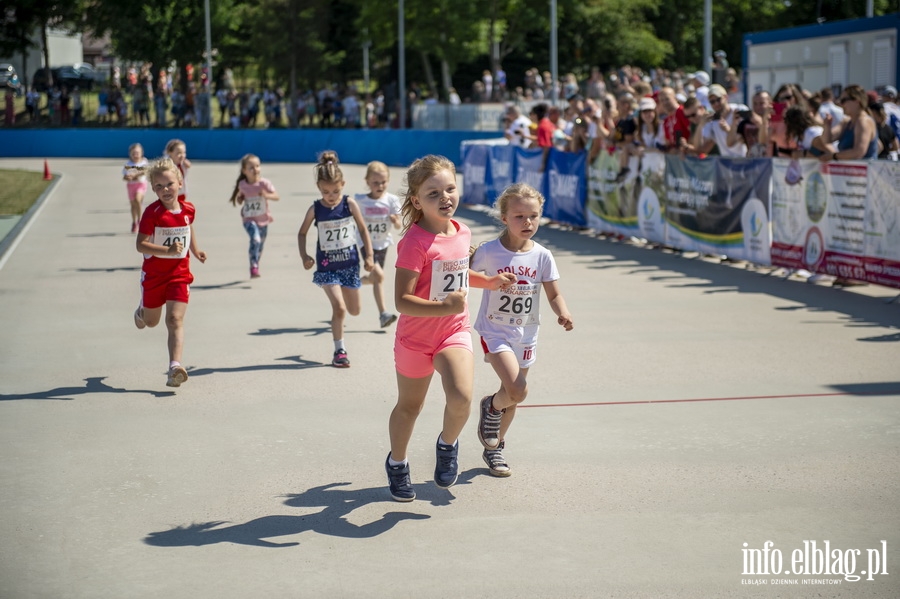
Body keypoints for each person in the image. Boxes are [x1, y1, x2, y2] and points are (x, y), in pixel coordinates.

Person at [384, 155, 516, 502]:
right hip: (415, 339)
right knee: (410, 408)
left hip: (452, 332)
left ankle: (447, 445)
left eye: (450, 189)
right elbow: (402, 300)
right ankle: (397, 463)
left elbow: (455, 273)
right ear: (416, 201)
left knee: (461, 397)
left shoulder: (462, 231)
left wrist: (487, 281)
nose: (445, 198)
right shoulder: (414, 242)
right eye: (433, 194)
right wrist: (442, 306)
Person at [471, 183, 574, 477]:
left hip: (526, 334)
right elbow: (467, 275)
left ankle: (495, 449)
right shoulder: (489, 252)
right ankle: (490, 407)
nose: (527, 222)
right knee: (518, 389)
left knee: (512, 396)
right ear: (504, 218)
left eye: (533, 216)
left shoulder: (542, 255)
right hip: (495, 332)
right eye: (519, 217)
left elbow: (554, 294)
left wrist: (563, 312)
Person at [133, 157, 207, 388]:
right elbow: (141, 245)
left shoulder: (188, 209)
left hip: (179, 274)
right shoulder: (151, 213)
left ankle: (175, 366)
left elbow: (187, 227)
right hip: (154, 276)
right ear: (153, 188)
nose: (165, 190)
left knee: (175, 319)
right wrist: (167, 250)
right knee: (152, 322)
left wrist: (195, 250)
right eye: (159, 186)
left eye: (169, 184)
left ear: (180, 182)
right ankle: (142, 311)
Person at [297, 151, 375, 368]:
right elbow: (302, 233)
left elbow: (362, 229)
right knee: (339, 308)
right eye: (325, 191)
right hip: (326, 267)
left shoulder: (349, 204)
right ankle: (339, 350)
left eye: (335, 191)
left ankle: (365, 280)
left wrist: (368, 255)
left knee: (354, 310)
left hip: (350, 265)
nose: (330, 196)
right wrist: (305, 255)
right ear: (318, 187)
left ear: (343, 184)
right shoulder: (316, 209)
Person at [354, 161, 402, 328]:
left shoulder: (391, 200)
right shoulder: (360, 201)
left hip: (382, 244)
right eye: (375, 182)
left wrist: (395, 221)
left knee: (375, 278)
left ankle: (357, 282)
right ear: (367, 182)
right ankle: (383, 314)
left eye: (383, 182)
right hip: (365, 244)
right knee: (380, 276)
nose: (380, 185)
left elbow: (398, 226)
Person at [229, 154, 279, 278]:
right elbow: (241, 197)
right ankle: (253, 266)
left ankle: (255, 262)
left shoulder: (264, 183)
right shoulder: (243, 184)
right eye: (251, 167)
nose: (255, 169)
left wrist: (266, 195)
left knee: (260, 246)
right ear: (244, 171)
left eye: (257, 166)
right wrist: (240, 198)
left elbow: (276, 196)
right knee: (255, 239)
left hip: (263, 219)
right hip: (248, 219)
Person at [123, 143, 150, 233]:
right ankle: (134, 222)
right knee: (133, 205)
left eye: (137, 153)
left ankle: (140, 220)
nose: (135, 155)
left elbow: (145, 171)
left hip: (141, 184)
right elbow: (124, 177)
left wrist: (136, 175)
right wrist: (128, 177)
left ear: (141, 153)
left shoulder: (144, 162)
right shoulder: (128, 164)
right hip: (131, 186)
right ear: (130, 154)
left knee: (138, 200)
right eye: (133, 153)